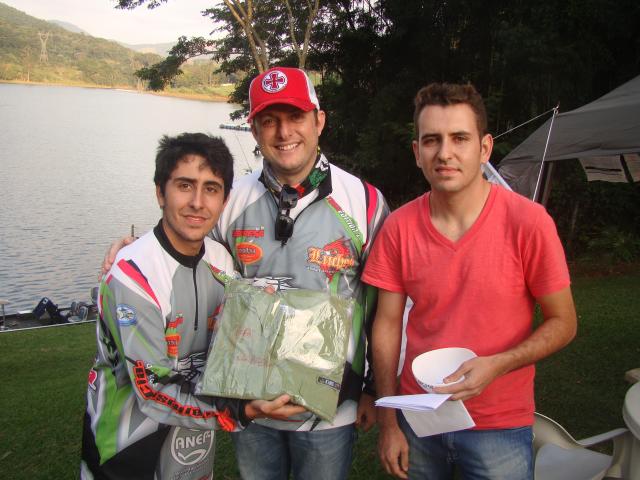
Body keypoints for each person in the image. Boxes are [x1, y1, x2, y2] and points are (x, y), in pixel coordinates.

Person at [101, 68, 389, 480]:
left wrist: (373, 389)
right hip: (249, 404)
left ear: (319, 121)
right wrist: (134, 249)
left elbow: (384, 305)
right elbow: (184, 239)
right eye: (269, 120)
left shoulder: (364, 201)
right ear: (253, 130)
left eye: (296, 117)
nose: (283, 132)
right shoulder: (231, 199)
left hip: (330, 410)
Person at [362, 83, 577, 479]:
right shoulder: (399, 228)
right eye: (432, 140)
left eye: (459, 138)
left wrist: (499, 364)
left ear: (484, 148)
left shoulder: (528, 223)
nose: (445, 153)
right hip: (419, 416)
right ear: (417, 152)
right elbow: (387, 325)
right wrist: (389, 421)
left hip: (499, 423)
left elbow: (564, 322)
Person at [82, 133, 305, 480]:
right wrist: (240, 411)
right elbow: (153, 390)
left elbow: (244, 334)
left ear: (224, 200)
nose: (198, 202)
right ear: (160, 192)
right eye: (185, 186)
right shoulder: (132, 276)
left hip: (192, 447)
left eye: (211, 189)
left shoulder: (221, 260)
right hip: (126, 449)